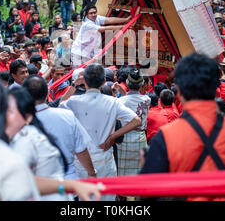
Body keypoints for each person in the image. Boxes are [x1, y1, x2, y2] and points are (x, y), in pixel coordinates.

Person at [140, 53, 225, 201]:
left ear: (178, 91)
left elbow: (147, 195)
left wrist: (145, 165)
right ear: (217, 87)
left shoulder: (166, 137)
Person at [59, 64, 141, 201]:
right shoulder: (113, 102)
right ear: (104, 82)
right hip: (104, 161)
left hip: (82, 163)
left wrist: (74, 85)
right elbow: (136, 120)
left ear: (84, 80)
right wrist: (113, 136)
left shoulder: (74, 101)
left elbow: (61, 105)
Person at [23, 75, 95, 181]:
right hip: (67, 183)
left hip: (34, 184)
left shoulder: (17, 121)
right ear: (47, 93)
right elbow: (81, 150)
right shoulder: (67, 116)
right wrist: (91, 173)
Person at [116, 68, 151, 179]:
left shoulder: (120, 101)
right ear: (142, 84)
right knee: (139, 171)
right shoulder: (147, 99)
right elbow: (132, 98)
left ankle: (123, 194)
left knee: (123, 172)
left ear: (127, 83)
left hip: (124, 138)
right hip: (140, 137)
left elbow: (127, 99)